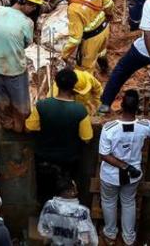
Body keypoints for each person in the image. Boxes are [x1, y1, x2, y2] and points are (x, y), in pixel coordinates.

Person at [99, 90, 150, 246]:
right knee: (128, 202)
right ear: (138, 108)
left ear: (121, 106)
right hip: (132, 175)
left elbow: (104, 155)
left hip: (110, 175)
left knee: (109, 202)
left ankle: (110, 234)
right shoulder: (144, 126)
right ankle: (129, 237)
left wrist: (123, 166)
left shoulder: (109, 128)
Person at [27, 68, 94, 205]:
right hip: (69, 162)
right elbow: (87, 137)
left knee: (45, 194)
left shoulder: (42, 106)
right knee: (66, 195)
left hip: (44, 160)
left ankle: (45, 221)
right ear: (74, 86)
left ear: (56, 84)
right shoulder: (80, 111)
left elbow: (30, 127)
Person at [0, 0, 40, 131]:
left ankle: (7, 124)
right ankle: (21, 128)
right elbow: (27, 43)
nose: (34, 9)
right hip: (14, 67)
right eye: (33, 5)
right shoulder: (27, 22)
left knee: (2, 98)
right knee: (21, 103)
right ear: (24, 3)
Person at [60, 0, 113, 75]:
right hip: (105, 29)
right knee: (102, 50)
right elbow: (109, 3)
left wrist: (65, 54)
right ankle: (105, 68)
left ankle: (87, 87)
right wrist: (109, 15)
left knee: (85, 67)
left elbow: (75, 39)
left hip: (92, 39)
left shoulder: (73, 9)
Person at [38, 177, 99, 246]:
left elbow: (43, 230)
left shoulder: (48, 206)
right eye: (74, 190)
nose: (76, 192)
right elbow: (90, 240)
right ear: (67, 192)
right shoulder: (81, 211)